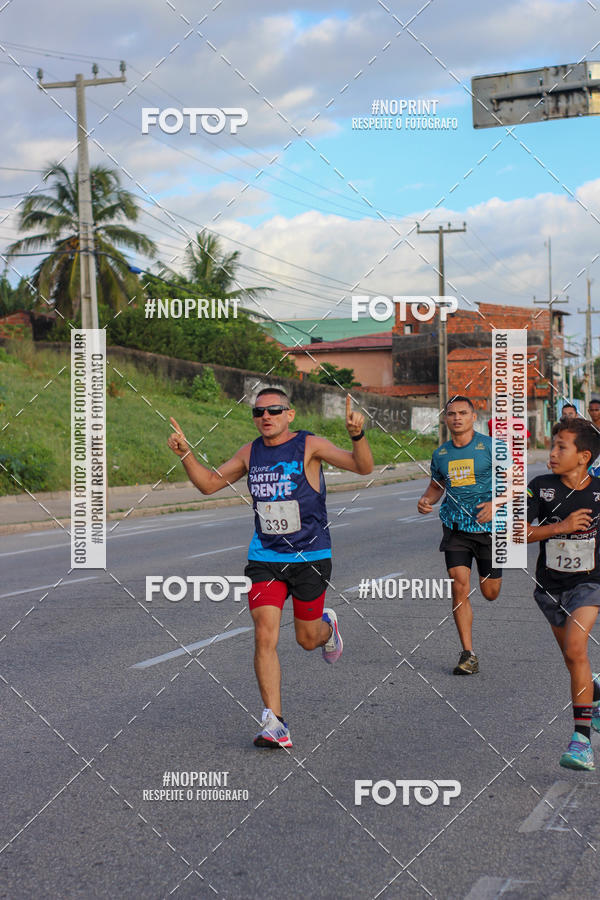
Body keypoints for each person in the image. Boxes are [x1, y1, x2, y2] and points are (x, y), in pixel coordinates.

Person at [167, 388, 374, 749]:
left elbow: (363, 467)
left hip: (310, 556)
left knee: (306, 640)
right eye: (259, 411)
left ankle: (327, 628)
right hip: (265, 558)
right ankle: (275, 723)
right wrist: (186, 454)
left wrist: (357, 436)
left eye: (274, 410)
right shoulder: (251, 452)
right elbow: (209, 485)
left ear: (289, 414)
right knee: (264, 635)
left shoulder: (309, 445)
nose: (266, 416)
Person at [527, 417, 600, 770]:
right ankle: (594, 695)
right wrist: (562, 527)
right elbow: (516, 533)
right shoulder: (541, 487)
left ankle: (581, 742)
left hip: (590, 584)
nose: (552, 452)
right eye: (553, 445)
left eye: (561, 447)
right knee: (574, 661)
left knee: (575, 649)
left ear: (583, 456)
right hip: (550, 588)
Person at [417, 396, 504, 675]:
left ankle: (491, 579)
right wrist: (426, 500)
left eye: (463, 413)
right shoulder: (440, 454)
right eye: (452, 413)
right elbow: (436, 486)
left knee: (490, 592)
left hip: (489, 529)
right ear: (445, 419)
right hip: (456, 528)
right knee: (459, 585)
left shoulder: (491, 447)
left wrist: (495, 504)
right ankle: (468, 654)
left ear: (473, 417)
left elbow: (515, 484)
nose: (457, 418)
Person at [588, 398, 600, 477]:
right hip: (591, 464)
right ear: (588, 411)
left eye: (597, 410)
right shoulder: (586, 427)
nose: (594, 412)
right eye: (592, 410)